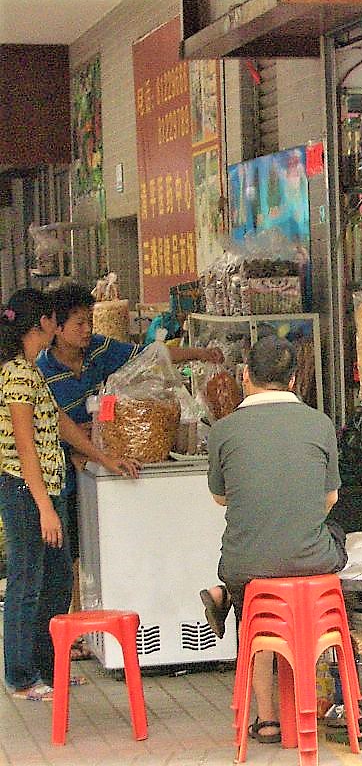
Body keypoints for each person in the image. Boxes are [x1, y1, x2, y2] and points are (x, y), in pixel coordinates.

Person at [37, 283, 222, 659]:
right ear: (55, 327)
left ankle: (93, 627)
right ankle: (74, 630)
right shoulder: (42, 374)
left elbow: (153, 355)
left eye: (89, 322)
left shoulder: (101, 351)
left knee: (99, 547)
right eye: (78, 323)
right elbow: (42, 430)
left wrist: (203, 352)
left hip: (103, 467)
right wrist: (73, 448)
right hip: (65, 472)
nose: (87, 330)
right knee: (71, 555)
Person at [199, 335, 345, 745]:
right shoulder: (320, 423)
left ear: (245, 377)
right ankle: (321, 704)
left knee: (255, 618)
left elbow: (220, 497)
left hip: (246, 566)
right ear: (295, 379)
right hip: (312, 562)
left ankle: (266, 720)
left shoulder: (224, 431)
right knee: (334, 540)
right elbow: (330, 498)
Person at [1, 289, 139, 702]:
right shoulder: (18, 375)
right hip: (27, 491)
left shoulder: (31, 372)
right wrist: (45, 508)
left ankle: (48, 667)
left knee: (58, 578)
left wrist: (104, 457)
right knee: (27, 581)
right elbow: (26, 448)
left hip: (48, 488)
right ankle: (22, 676)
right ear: (44, 323)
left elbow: (60, 424)